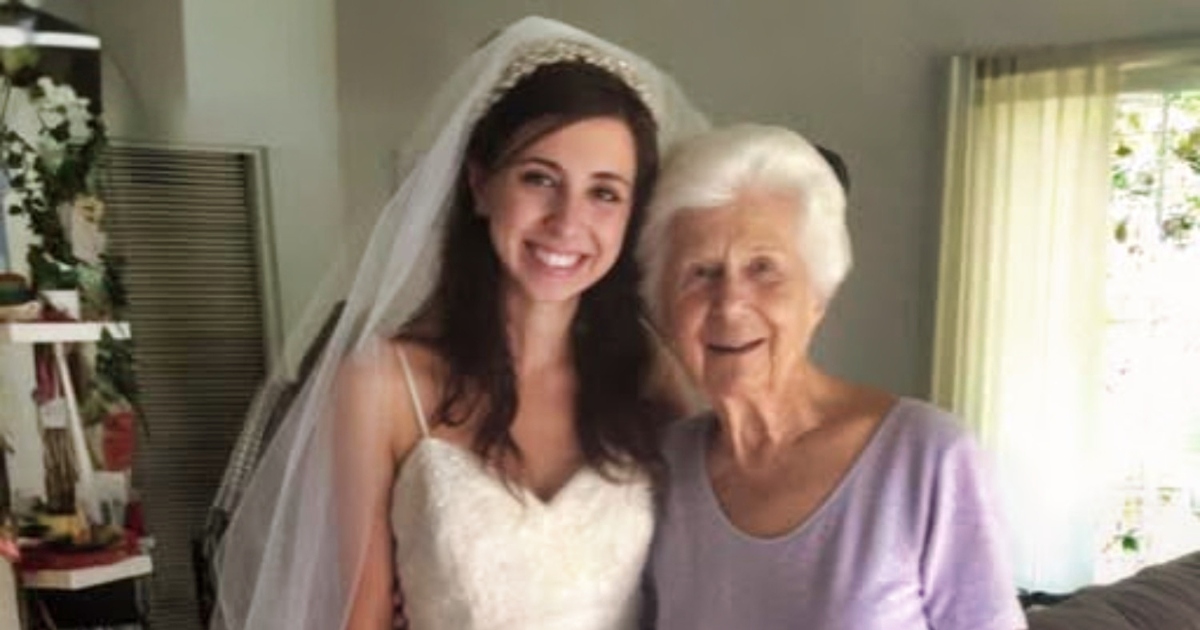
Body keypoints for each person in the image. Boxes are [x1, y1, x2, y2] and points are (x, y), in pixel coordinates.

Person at [209, 17, 707, 630]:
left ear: (632, 215)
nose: (566, 222)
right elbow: (362, 617)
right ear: (479, 184)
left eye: (604, 193)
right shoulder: (380, 385)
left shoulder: (653, 377)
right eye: (539, 178)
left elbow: (704, 585)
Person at [638, 124, 1027, 630]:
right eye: (701, 273)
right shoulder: (661, 472)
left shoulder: (925, 458)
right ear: (663, 307)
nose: (730, 304)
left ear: (818, 296)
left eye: (763, 268)